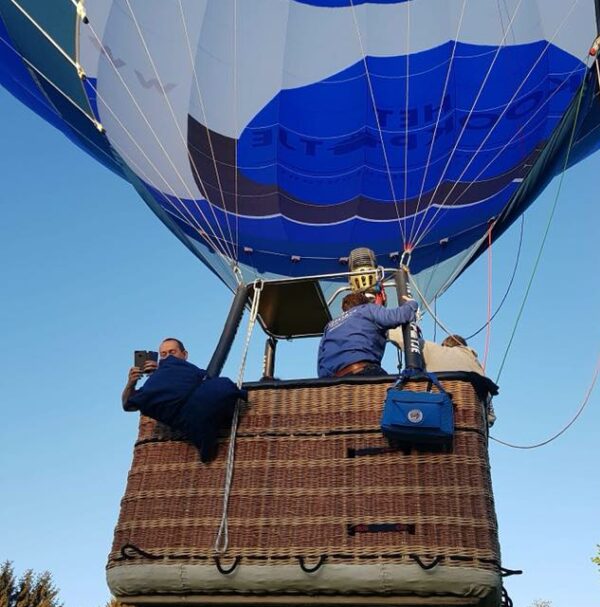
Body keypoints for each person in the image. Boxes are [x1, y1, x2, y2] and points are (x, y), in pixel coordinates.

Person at [387, 330, 496, 426]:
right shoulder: (476, 366)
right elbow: (490, 417)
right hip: (468, 430)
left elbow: (400, 337)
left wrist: (409, 328)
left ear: (444, 346)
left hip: (433, 421)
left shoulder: (433, 350)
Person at [318, 292, 418, 378]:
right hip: (364, 373)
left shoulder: (329, 326)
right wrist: (412, 304)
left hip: (334, 384)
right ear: (365, 303)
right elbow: (398, 316)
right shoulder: (367, 309)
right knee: (399, 395)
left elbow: (321, 365)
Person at [122, 338, 188, 411]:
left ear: (184, 354)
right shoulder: (154, 384)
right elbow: (128, 406)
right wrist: (131, 384)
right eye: (163, 354)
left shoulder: (195, 377)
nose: (168, 357)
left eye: (172, 352)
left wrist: (162, 375)